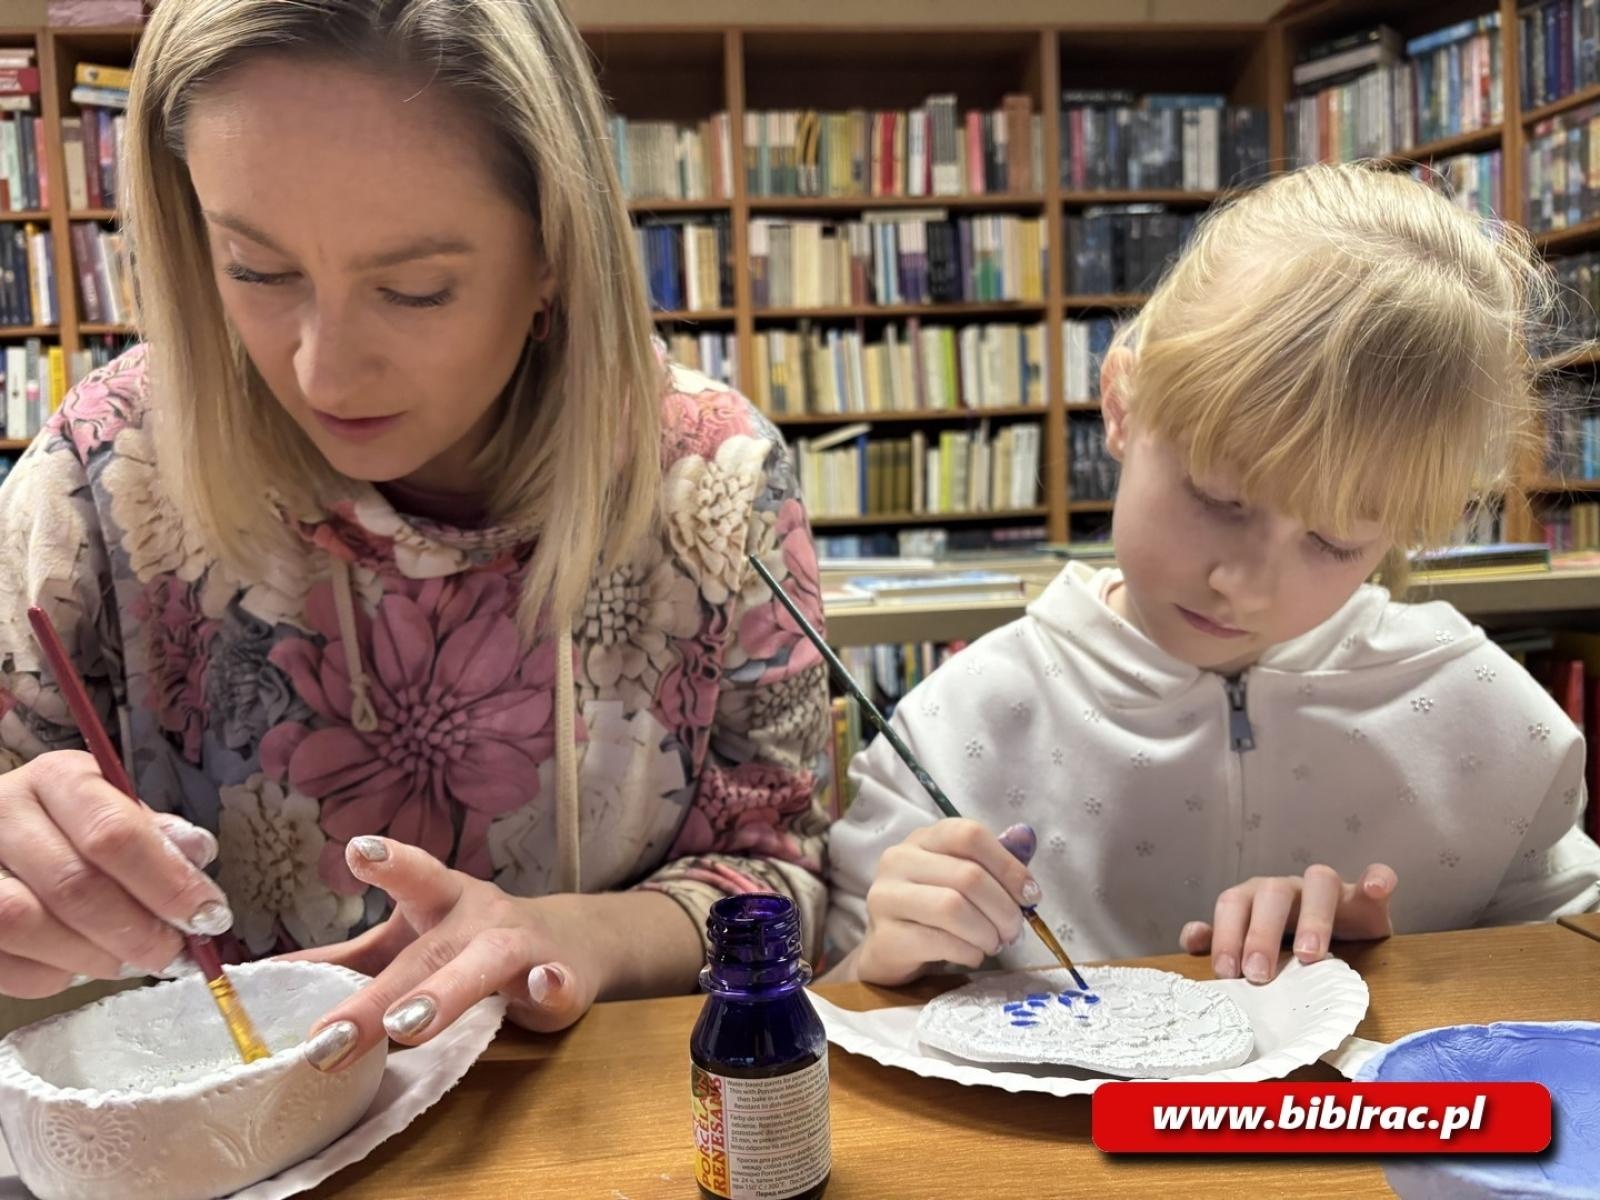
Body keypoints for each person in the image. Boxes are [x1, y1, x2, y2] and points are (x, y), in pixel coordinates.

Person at [0, 0, 832, 1072]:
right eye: (255, 269)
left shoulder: (712, 481)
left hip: (603, 1126)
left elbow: (780, 874)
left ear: (554, 253)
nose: (325, 372)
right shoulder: (103, 469)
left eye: (415, 290)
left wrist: (573, 938)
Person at [826, 163, 1600, 988]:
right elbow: (827, 1005)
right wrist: (881, 963)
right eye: (1218, 498)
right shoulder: (957, 728)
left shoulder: (1486, 721)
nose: (1247, 586)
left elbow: (1567, 978)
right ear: (1121, 406)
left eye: (1333, 542)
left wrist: (1401, 970)